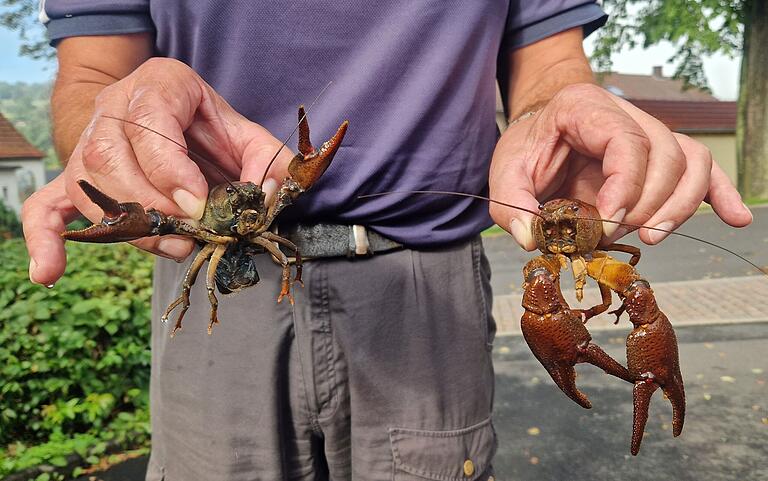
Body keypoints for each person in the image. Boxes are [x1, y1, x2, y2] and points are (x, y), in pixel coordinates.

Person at [23, 1, 752, 480]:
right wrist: (106, 134)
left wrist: (553, 105)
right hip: (231, 276)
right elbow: (89, 74)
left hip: (422, 282)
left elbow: (550, 62)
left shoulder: (573, 249)